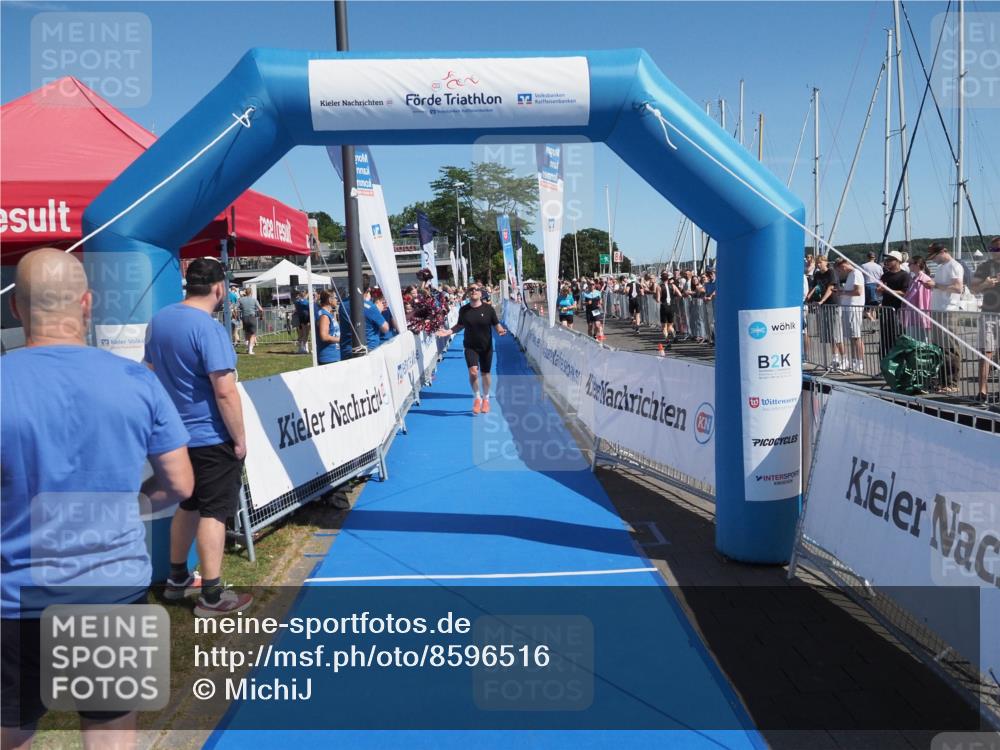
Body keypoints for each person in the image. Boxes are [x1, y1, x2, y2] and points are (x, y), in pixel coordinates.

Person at [2, 249, 193, 746]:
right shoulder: (136, 381)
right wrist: (135, 505)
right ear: (87, 303)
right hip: (112, 591)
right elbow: (180, 484)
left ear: (17, 309)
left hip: (14, 596)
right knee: (109, 734)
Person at [145, 258, 253, 617]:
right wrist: (239, 439)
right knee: (214, 511)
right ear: (219, 288)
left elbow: (149, 372)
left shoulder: (159, 321)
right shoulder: (208, 329)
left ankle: (177, 578)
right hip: (209, 435)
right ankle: (211, 595)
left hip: (174, 436)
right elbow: (225, 391)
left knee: (188, 505)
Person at [437, 284, 505, 414]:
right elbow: (460, 325)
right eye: (471, 289)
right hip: (470, 346)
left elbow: (496, 324)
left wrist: (500, 330)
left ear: (481, 293)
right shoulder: (464, 310)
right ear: (468, 293)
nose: (474, 291)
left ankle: (486, 399)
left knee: (485, 374)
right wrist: (448, 332)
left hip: (486, 346)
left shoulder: (489, 309)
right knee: (473, 372)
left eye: (476, 289)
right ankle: (477, 398)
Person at [923, 243, 965, 392]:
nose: (933, 260)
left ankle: (952, 383)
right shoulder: (941, 268)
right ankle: (943, 381)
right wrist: (933, 285)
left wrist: (935, 286)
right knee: (939, 348)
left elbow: (958, 287)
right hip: (938, 310)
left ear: (943, 252)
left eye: (935, 256)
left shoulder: (954, 265)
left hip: (948, 310)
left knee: (950, 348)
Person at [971, 237, 1000, 402]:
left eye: (997, 249)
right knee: (986, 352)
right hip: (989, 314)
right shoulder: (984, 267)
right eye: (992, 249)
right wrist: (986, 284)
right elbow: (973, 289)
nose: (994, 252)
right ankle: (982, 390)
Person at [339, 275, 394, 358]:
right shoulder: (370, 307)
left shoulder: (342, 304)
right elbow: (385, 328)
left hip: (346, 351)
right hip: (368, 351)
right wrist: (378, 310)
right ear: (368, 289)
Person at [875, 251, 910, 360]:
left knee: (897, 337)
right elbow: (880, 291)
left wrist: (887, 290)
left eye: (890, 260)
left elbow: (904, 293)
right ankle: (885, 364)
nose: (887, 262)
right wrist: (879, 290)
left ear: (898, 261)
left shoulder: (905, 276)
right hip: (886, 310)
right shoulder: (885, 275)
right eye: (887, 260)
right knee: (885, 338)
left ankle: (898, 364)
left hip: (898, 310)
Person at [833, 257, 866, 373]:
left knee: (856, 336)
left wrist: (842, 292)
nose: (840, 273)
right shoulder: (851, 275)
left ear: (843, 266)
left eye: (840, 270)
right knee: (852, 337)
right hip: (847, 308)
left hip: (854, 308)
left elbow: (858, 291)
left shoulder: (856, 273)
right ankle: (854, 361)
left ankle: (860, 362)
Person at [901, 255, 933, 342]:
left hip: (919, 316)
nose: (908, 265)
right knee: (912, 339)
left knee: (921, 340)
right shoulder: (914, 278)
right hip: (912, 315)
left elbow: (924, 300)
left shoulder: (924, 279)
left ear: (917, 264)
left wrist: (923, 317)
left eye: (910, 263)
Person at [314, 289, 341, 365]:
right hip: (329, 357)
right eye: (335, 298)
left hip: (333, 354)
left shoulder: (328, 313)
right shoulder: (324, 315)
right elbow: (324, 336)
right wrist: (340, 339)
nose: (337, 300)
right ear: (329, 300)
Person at [236, 287, 263, 355]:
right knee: (252, 334)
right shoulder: (254, 300)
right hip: (252, 317)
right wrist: (261, 316)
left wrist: (236, 316)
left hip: (244, 318)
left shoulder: (240, 300)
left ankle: (248, 347)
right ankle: (250, 350)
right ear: (251, 293)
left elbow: (234, 308)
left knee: (247, 333)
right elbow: (261, 309)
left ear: (245, 292)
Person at [861, 252, 884, 321]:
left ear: (867, 257)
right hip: (877, 286)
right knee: (873, 308)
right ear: (874, 258)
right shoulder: (879, 267)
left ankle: (872, 320)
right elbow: (881, 277)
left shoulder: (863, 266)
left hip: (867, 286)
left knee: (866, 307)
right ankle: (874, 322)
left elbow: (860, 277)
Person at [657, 270, 674, 348]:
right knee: (670, 326)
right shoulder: (672, 285)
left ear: (661, 278)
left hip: (664, 306)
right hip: (671, 306)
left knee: (664, 326)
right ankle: (674, 335)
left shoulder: (659, 286)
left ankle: (667, 341)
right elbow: (679, 294)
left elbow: (658, 299)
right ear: (668, 278)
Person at [294, 289, 312, 355]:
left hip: (305, 318)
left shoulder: (300, 301)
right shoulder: (301, 301)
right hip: (303, 319)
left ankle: (304, 348)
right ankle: (303, 348)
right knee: (304, 333)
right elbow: (307, 305)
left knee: (305, 333)